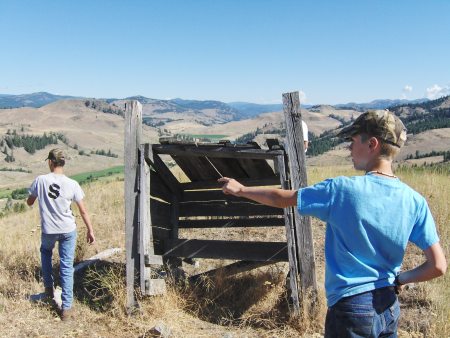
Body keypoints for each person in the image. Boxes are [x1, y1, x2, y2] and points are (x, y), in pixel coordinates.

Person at [219, 110, 446, 337]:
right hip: (388, 307)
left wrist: (241, 190)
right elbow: (438, 266)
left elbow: (282, 198)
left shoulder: (341, 190)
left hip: (351, 307)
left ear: (372, 144)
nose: (349, 147)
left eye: (353, 140)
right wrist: (401, 279)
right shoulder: (415, 201)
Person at [27, 148, 95, 321]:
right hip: (67, 229)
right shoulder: (72, 184)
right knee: (66, 266)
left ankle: (49, 290)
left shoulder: (40, 180)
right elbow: (83, 211)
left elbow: (29, 202)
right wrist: (90, 230)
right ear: (63, 163)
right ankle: (66, 309)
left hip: (49, 229)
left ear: (50, 162)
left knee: (46, 253)